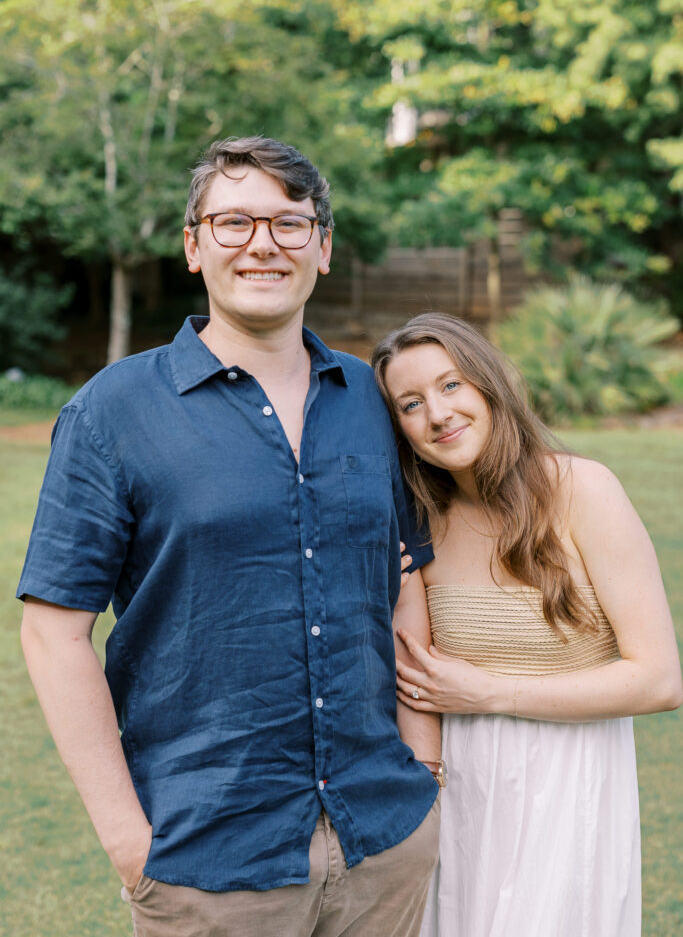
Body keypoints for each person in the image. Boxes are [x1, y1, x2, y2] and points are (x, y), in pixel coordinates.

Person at [17, 136, 443, 937]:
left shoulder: (367, 401)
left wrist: (421, 767)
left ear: (321, 247)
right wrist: (127, 839)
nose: (261, 244)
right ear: (193, 245)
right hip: (206, 861)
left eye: (288, 224)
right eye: (234, 221)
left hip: (383, 842)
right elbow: (51, 633)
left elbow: (404, 571)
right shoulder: (112, 413)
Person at [371, 312, 682, 937]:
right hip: (457, 792)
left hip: (567, 785)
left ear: (489, 385)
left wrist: (492, 692)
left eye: (451, 384)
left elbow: (658, 681)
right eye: (410, 403)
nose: (437, 413)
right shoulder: (421, 520)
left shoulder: (580, 490)